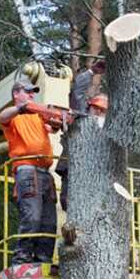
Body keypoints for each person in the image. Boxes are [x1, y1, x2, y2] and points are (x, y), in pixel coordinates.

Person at [0, 80, 57, 265]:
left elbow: (52, 126)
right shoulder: (14, 117)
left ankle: (43, 258)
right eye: (28, 92)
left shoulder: (38, 116)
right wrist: (21, 108)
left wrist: (56, 119)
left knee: (49, 221)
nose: (32, 95)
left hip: (45, 172)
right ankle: (22, 258)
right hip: (27, 170)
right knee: (32, 217)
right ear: (16, 94)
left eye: (33, 92)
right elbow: (2, 117)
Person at [55, 61, 108, 211]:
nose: (97, 113)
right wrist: (91, 72)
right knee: (68, 201)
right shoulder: (80, 116)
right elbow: (77, 90)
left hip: (94, 172)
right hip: (73, 168)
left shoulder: (107, 130)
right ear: (90, 107)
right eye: (96, 109)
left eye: (101, 111)